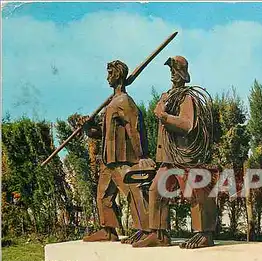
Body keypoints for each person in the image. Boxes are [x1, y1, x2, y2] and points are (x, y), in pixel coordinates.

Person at [131, 55, 216, 248]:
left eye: (175, 71)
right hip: (168, 158)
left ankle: (204, 234)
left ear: (183, 74)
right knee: (156, 190)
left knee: (194, 192)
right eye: (170, 71)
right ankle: (159, 234)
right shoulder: (166, 96)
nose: (172, 75)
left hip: (184, 157)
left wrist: (164, 116)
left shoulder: (187, 98)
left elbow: (187, 125)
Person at [73, 60, 153, 242]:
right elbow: (104, 134)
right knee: (103, 196)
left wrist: (142, 156)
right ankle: (108, 231)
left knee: (134, 194)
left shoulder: (124, 102)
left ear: (117, 75)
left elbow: (134, 129)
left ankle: (147, 231)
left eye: (110, 73)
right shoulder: (112, 103)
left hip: (122, 160)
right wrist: (88, 127)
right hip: (108, 161)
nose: (107, 77)